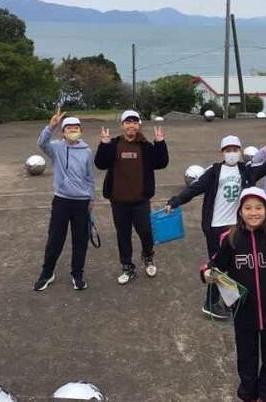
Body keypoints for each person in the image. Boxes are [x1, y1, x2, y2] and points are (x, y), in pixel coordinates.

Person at [201, 187, 266, 402]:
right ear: (240, 211)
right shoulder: (230, 237)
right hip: (243, 313)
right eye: (248, 208)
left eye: (258, 207)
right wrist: (206, 273)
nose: (253, 212)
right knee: (246, 359)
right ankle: (248, 395)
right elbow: (215, 264)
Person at [166, 135, 266, 319]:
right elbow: (194, 189)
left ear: (240, 151)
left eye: (235, 150)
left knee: (236, 264)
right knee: (217, 266)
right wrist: (175, 201)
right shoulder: (214, 171)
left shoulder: (246, 170)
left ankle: (232, 300)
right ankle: (211, 303)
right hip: (216, 226)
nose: (232, 153)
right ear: (222, 152)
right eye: (228, 150)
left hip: (236, 227)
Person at [95, 109, 168, 285]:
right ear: (122, 126)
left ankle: (148, 256)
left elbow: (161, 163)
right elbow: (100, 164)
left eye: (135, 122)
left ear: (138, 126)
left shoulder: (145, 146)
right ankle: (127, 266)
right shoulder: (113, 144)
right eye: (128, 122)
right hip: (118, 201)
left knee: (145, 231)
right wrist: (104, 144)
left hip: (140, 200)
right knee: (123, 235)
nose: (131, 126)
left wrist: (160, 143)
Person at [33, 110, 96, 292]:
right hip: (61, 201)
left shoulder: (87, 151)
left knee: (80, 240)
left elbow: (89, 177)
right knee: (55, 239)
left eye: (76, 128)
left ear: (81, 130)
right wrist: (50, 126)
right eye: (68, 128)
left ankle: (77, 275)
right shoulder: (56, 148)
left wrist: (91, 198)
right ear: (62, 132)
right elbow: (41, 143)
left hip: (82, 202)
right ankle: (47, 273)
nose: (72, 130)